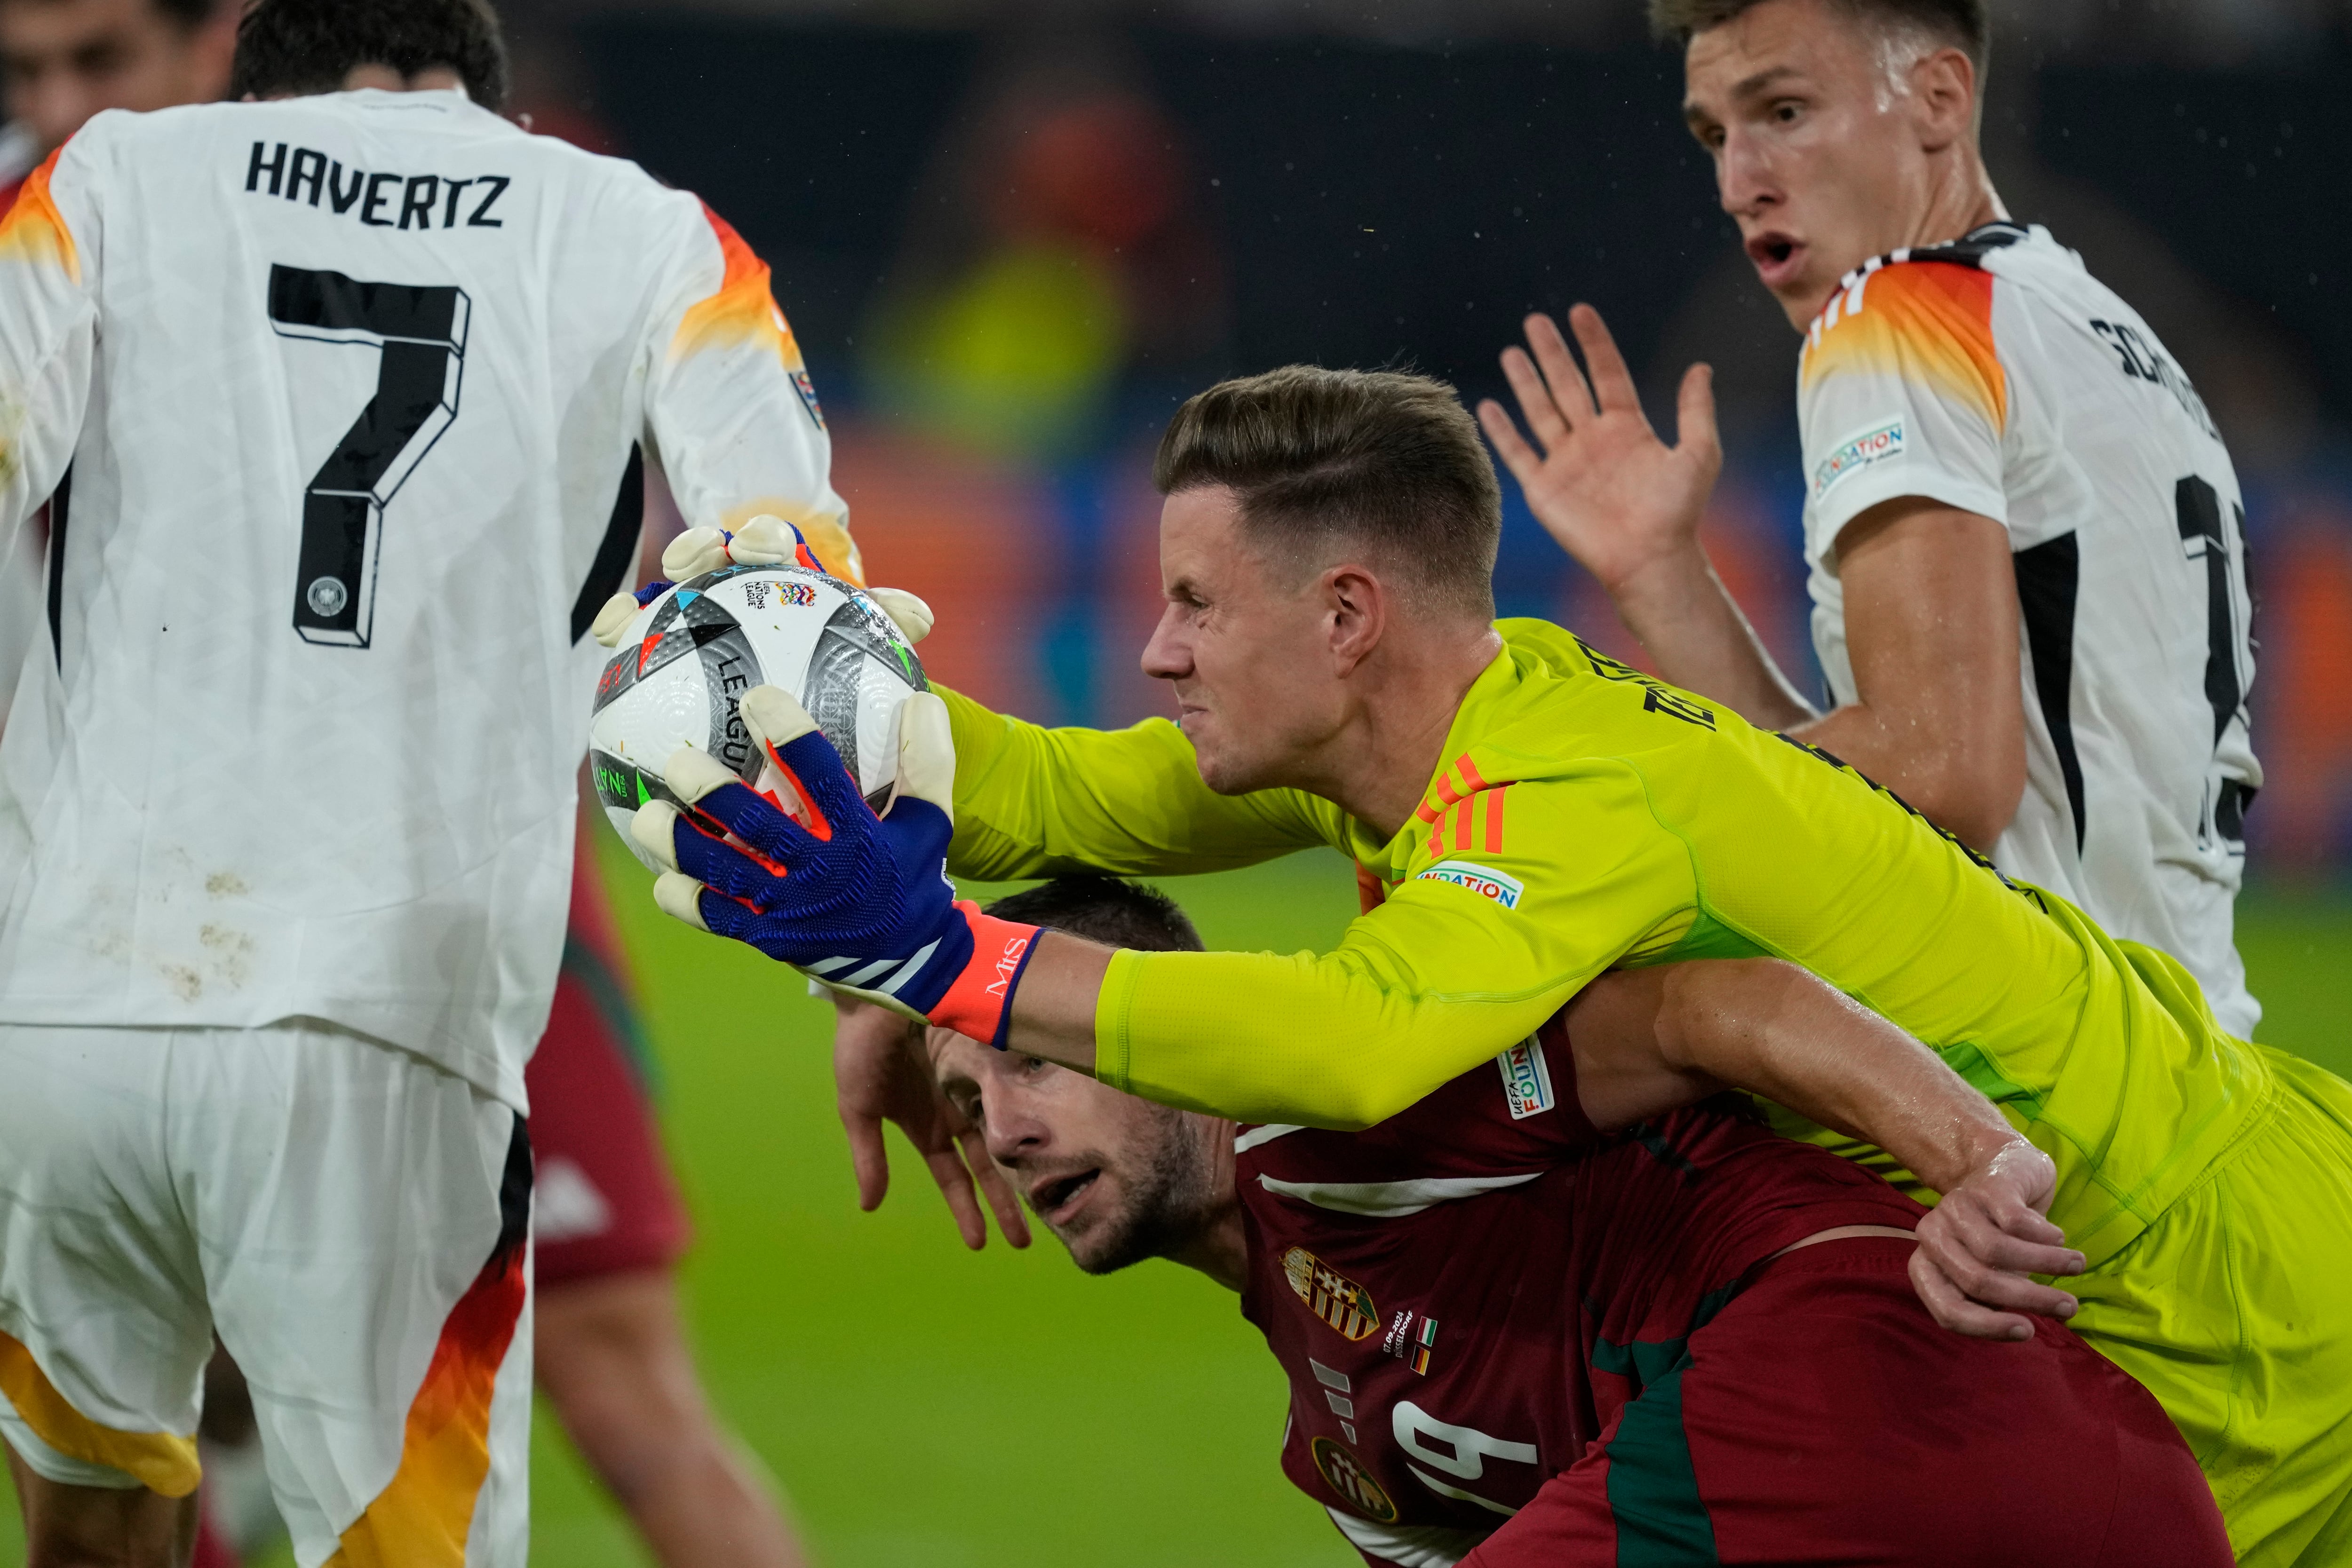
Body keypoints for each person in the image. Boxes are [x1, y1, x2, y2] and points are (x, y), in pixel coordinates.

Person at [622, 363, 2352, 1566]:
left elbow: (1363, 1042)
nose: (1153, 651)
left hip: (2207, 1295)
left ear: (1348, 613)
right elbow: (1060, 790)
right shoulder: (1441, 720)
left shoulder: (1560, 800)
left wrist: (943, 959)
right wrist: (805, 681)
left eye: (1197, 605)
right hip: (2078, 1241)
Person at [0, 0, 855, 1562]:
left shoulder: (107, 179)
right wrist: (877, 976)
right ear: (478, 84)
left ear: (250, 71)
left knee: (92, 1531)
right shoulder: (646, 229)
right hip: (385, 1025)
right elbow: (785, 589)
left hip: (63, 1018)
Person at [921, 875, 2230, 1567]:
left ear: (1153, 1022)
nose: (1006, 1127)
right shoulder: (1345, 1458)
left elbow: (1717, 1007)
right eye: (967, 1101)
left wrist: (1983, 1161)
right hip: (2097, 1500)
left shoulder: (1348, 1103)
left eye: (1029, 1059)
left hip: (1882, 1371)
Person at [1475, 0, 2263, 1038]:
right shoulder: (2100, 329)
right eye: (1714, 134)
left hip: (2038, 1082)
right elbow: (1897, 781)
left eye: (1785, 111)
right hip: (2189, 1055)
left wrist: (1615, 789)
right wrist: (1662, 575)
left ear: (1939, 98)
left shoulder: (1896, 313)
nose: (1736, 179)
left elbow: (1938, 770)